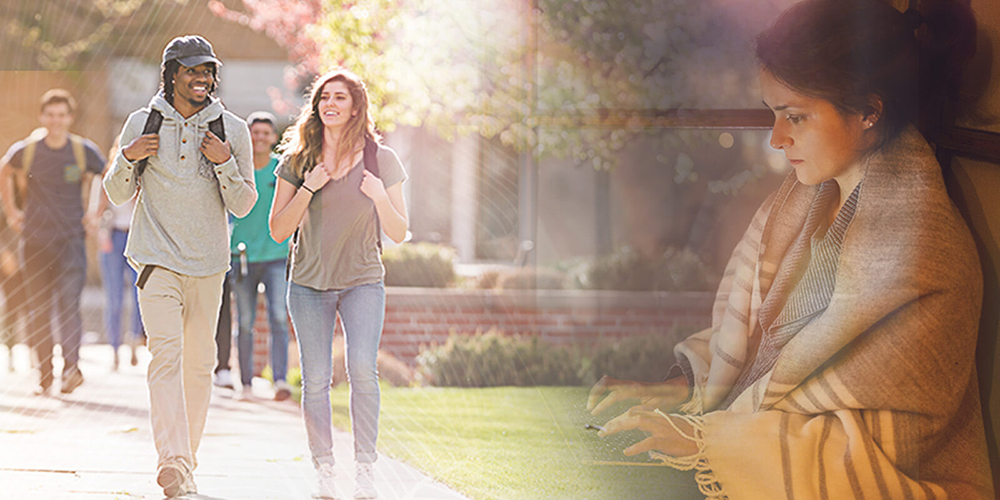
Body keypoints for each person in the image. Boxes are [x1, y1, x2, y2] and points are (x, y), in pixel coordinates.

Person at [587, 0, 993, 497]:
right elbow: (762, 354)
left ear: (869, 110)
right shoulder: (808, 198)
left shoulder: (924, 250)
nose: (777, 138)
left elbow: (885, 441)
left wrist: (703, 441)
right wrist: (678, 389)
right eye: (773, 114)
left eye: (794, 117)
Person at [103, 35, 256, 498]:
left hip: (209, 263)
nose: (202, 78)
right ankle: (171, 460)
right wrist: (129, 157)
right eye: (192, 71)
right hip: (155, 260)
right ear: (171, 74)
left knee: (199, 364)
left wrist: (225, 162)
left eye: (208, 70)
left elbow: (245, 203)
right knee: (165, 356)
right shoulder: (140, 122)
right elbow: (114, 192)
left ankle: (185, 461)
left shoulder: (232, 129)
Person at [269, 69, 409, 500]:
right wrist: (309, 188)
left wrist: (380, 196)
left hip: (362, 281)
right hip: (308, 283)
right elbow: (278, 230)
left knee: (363, 371)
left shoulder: (380, 160)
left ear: (355, 107)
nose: (330, 104)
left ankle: (365, 467)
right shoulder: (297, 160)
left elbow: (400, 231)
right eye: (324, 97)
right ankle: (324, 468)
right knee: (315, 380)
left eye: (340, 98)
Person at [0, 89, 106, 395]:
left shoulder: (81, 151)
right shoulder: (28, 150)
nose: (56, 121)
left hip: (71, 241)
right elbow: (5, 170)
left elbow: (108, 174)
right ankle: (45, 375)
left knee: (69, 307)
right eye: (50, 115)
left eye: (61, 115)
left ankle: (71, 370)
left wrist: (95, 212)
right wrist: (13, 212)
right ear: (42, 117)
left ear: (69, 118)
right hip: (34, 242)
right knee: (38, 309)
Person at [230, 111, 292, 401]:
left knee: (279, 317)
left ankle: (280, 380)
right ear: (247, 136)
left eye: (265, 133)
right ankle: (245, 383)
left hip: (277, 256)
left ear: (274, 138)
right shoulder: (238, 169)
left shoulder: (281, 169)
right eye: (255, 132)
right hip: (241, 257)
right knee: (244, 322)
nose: (260, 138)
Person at [96, 138, 145, 370]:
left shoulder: (142, 175)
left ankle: (135, 340)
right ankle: (115, 349)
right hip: (113, 237)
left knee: (139, 297)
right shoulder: (107, 176)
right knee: (114, 299)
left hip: (136, 238)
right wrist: (101, 235)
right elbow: (97, 210)